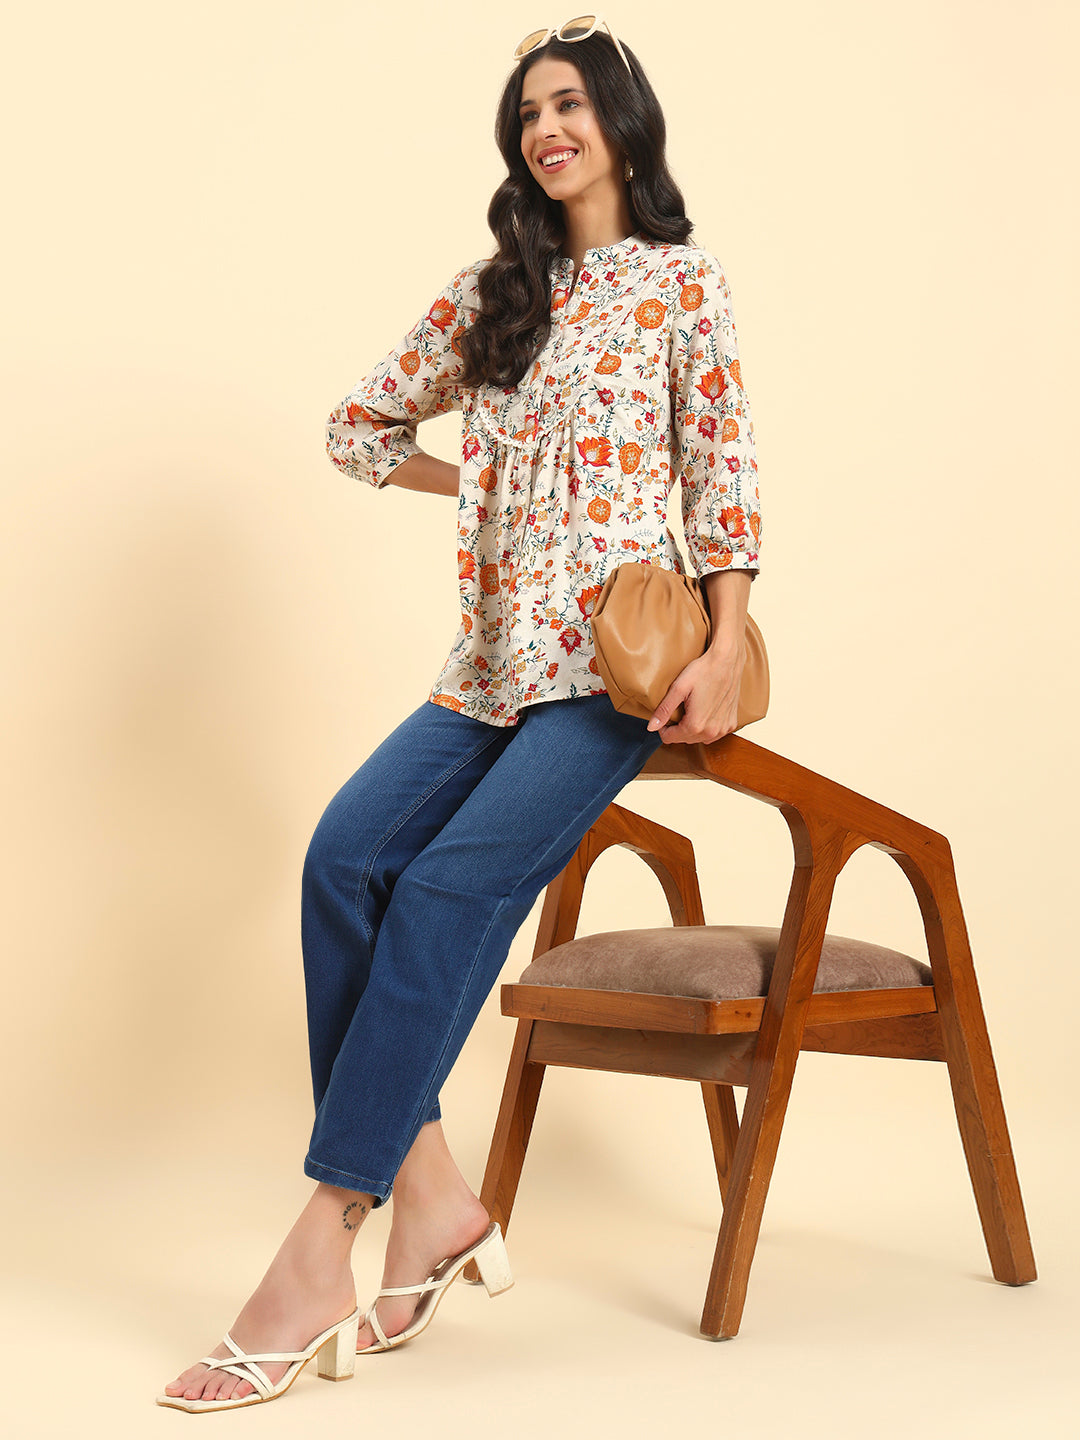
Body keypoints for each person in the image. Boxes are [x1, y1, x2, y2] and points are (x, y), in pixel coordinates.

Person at [159, 18, 762, 1413]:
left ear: (622, 124)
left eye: (571, 104)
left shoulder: (682, 285)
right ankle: (433, 1194)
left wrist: (727, 644)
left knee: (440, 893)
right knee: (342, 860)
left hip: (614, 670)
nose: (549, 129)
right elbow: (359, 429)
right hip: (485, 665)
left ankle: (324, 1243)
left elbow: (724, 472)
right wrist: (485, 489)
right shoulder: (489, 295)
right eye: (529, 112)